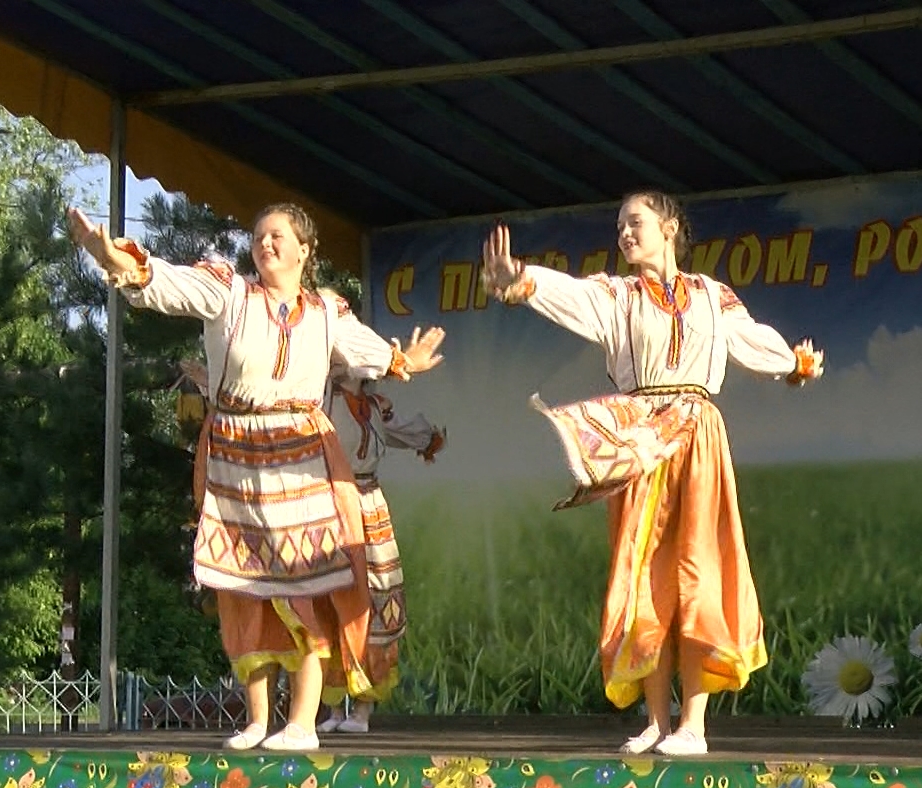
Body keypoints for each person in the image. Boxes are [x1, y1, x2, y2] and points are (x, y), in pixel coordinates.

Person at [67, 204, 445, 752]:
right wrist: (122, 260)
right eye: (259, 236)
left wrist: (399, 358)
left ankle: (302, 724)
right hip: (236, 459)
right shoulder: (229, 292)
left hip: (301, 459)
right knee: (244, 590)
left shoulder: (326, 312)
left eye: (277, 236)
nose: (265, 244)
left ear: (304, 250)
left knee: (307, 586)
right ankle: (256, 720)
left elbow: (368, 352)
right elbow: (173, 285)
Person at [479, 192, 822, 756]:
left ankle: (694, 725)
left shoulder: (712, 296)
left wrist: (794, 363)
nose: (624, 234)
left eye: (635, 223)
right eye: (619, 227)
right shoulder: (619, 296)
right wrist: (521, 280)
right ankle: (657, 721)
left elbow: (752, 339)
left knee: (697, 569)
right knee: (643, 574)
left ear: (669, 227)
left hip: (697, 441)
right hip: (640, 439)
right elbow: (571, 295)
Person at [319, 368, 446, 734]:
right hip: (331, 505)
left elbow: (406, 433)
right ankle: (332, 709)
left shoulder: (376, 406)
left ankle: (362, 709)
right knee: (330, 600)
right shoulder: (322, 404)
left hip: (369, 506)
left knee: (376, 599)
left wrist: (430, 441)